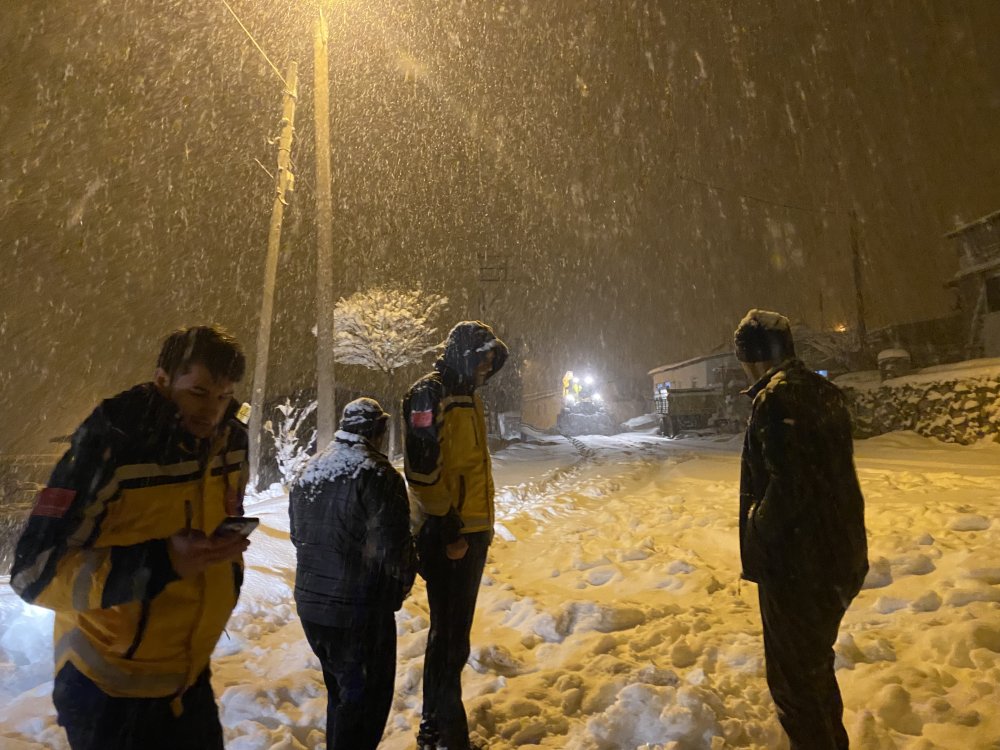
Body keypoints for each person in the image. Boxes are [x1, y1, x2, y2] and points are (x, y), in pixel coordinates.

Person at [10, 325, 252, 750]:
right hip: (104, 690)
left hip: (188, 679)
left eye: (223, 395)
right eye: (197, 392)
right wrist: (161, 563)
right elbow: (34, 573)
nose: (212, 411)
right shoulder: (109, 444)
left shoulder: (231, 442)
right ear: (163, 381)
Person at [734, 309, 869, 750]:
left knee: (795, 684)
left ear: (754, 356)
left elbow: (790, 484)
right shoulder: (822, 391)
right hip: (836, 559)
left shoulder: (778, 399)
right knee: (812, 671)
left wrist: (758, 527)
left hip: (798, 567)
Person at [403, 321, 508, 750]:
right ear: (466, 354)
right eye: (482, 356)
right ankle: (447, 737)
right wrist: (447, 525)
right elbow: (422, 469)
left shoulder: (467, 395)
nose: (487, 365)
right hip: (450, 533)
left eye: (490, 359)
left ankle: (436, 728)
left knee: (452, 638)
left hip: (471, 530)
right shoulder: (430, 395)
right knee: (448, 640)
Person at [289, 397, 416, 750]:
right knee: (364, 705)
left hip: (314, 610)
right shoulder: (377, 474)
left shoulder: (310, 470)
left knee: (342, 696)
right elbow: (394, 551)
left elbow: (299, 538)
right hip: (359, 613)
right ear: (378, 429)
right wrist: (396, 592)